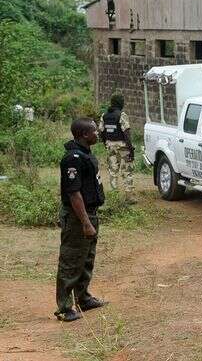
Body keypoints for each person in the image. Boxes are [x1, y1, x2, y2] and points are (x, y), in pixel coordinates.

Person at [55, 118, 107, 322]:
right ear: (85, 135)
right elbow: (74, 193)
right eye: (94, 131)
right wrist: (85, 222)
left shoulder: (85, 154)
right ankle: (65, 307)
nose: (98, 133)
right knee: (71, 260)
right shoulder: (73, 158)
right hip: (78, 217)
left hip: (90, 213)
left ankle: (83, 298)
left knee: (86, 258)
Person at [99, 94, 135, 198]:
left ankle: (113, 195)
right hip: (123, 146)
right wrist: (131, 149)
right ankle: (129, 196)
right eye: (122, 101)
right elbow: (126, 133)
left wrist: (106, 144)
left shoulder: (104, 115)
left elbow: (101, 132)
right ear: (120, 103)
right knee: (127, 170)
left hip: (110, 145)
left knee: (113, 170)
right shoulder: (122, 115)